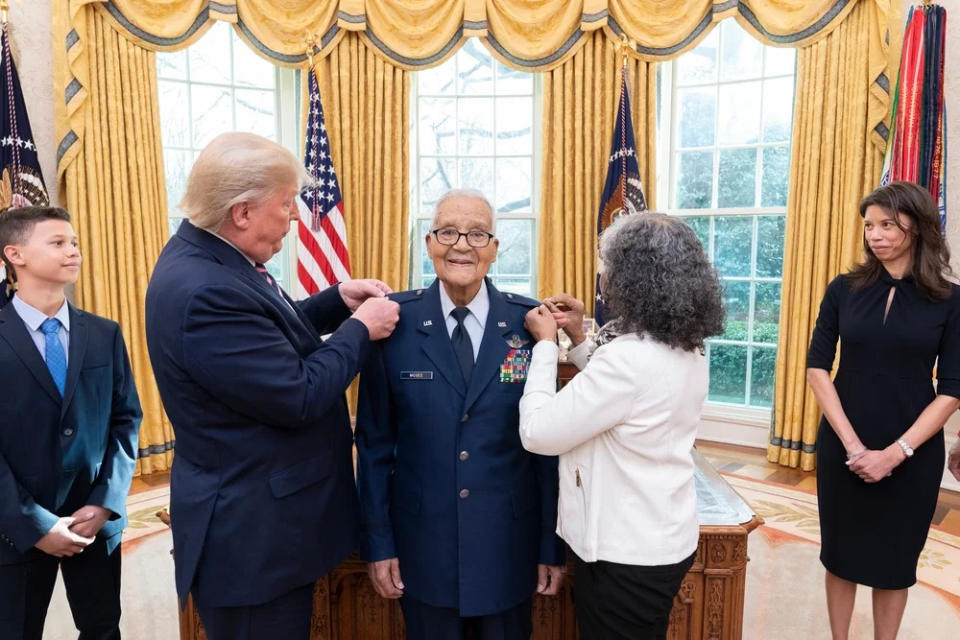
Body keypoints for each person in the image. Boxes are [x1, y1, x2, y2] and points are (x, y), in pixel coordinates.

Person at [144, 132, 399, 640]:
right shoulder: (206, 290)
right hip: (250, 544)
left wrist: (335, 301)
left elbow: (264, 341)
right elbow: (297, 393)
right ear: (242, 212)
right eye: (286, 204)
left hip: (264, 527)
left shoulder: (213, 258)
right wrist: (361, 329)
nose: (297, 216)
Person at [355, 189, 566, 640]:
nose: (462, 245)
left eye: (476, 234)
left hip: (508, 547)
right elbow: (373, 446)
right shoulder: (392, 323)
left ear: (494, 246)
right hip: (422, 550)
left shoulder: (530, 324)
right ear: (429, 243)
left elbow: (547, 451)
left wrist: (551, 544)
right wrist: (378, 542)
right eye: (448, 232)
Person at [518, 212, 724, 640]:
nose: (603, 279)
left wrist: (543, 347)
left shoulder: (628, 360)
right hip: (658, 536)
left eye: (607, 268)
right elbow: (621, 399)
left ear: (632, 278)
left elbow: (538, 433)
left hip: (626, 554)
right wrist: (578, 337)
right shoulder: (686, 345)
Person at [805, 181, 960, 640]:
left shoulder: (952, 301)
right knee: (840, 553)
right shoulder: (843, 288)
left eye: (888, 224)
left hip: (912, 450)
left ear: (917, 226)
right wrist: (852, 446)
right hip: (842, 442)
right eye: (870, 225)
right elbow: (817, 367)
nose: (875, 234)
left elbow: (952, 390)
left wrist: (896, 453)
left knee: (895, 563)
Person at [0, 206, 142, 640]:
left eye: (75, 242)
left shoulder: (105, 333)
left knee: (102, 629)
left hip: (93, 524)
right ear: (14, 254)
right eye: (58, 243)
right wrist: (35, 524)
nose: (73, 251)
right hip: (14, 528)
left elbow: (126, 420)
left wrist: (104, 505)